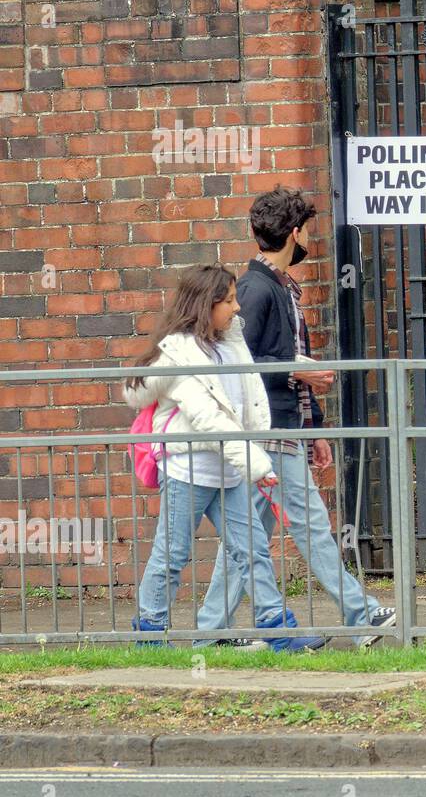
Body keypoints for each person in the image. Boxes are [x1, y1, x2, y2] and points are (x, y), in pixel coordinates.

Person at [197, 187, 395, 647]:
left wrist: (315, 427)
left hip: (282, 429)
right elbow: (246, 363)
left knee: (245, 541)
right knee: (310, 523)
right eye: (304, 229)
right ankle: (361, 615)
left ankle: (207, 633)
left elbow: (282, 357)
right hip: (268, 431)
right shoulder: (256, 289)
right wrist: (302, 376)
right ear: (295, 232)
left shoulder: (275, 287)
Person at [125, 264, 325, 652]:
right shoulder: (181, 356)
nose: (236, 308)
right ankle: (150, 634)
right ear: (206, 305)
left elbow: (246, 401)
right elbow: (211, 420)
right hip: (190, 469)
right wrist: (259, 464)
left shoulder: (230, 341)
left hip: (228, 468)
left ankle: (278, 630)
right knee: (173, 553)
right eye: (228, 301)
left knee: (251, 550)